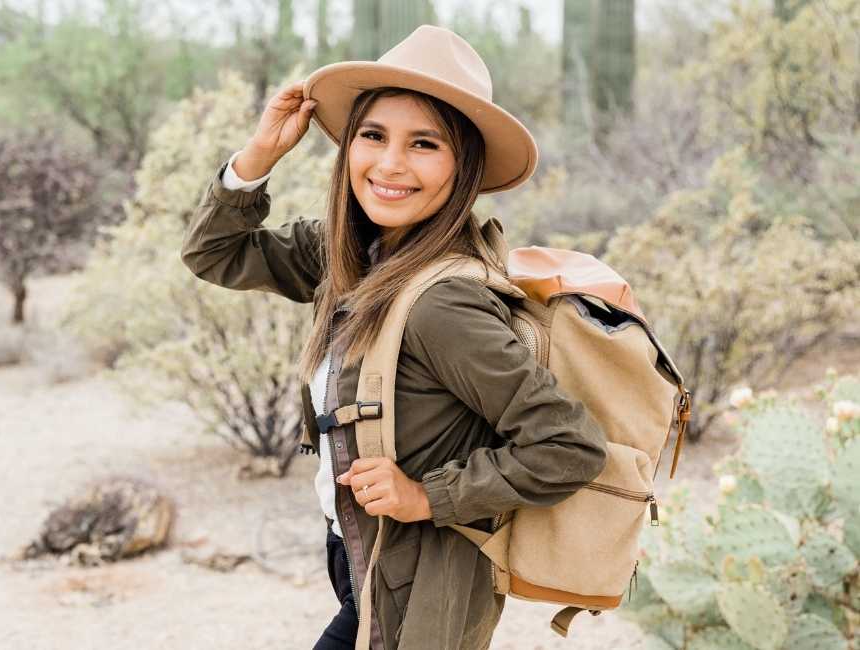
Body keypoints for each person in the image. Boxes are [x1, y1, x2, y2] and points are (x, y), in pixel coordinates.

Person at [179, 25, 608, 650]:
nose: (389, 165)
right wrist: (258, 158)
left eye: (424, 144)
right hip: (359, 553)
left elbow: (567, 446)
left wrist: (424, 495)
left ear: (464, 168)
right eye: (373, 136)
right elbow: (213, 252)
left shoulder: (443, 303)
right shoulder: (351, 252)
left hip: (419, 574)